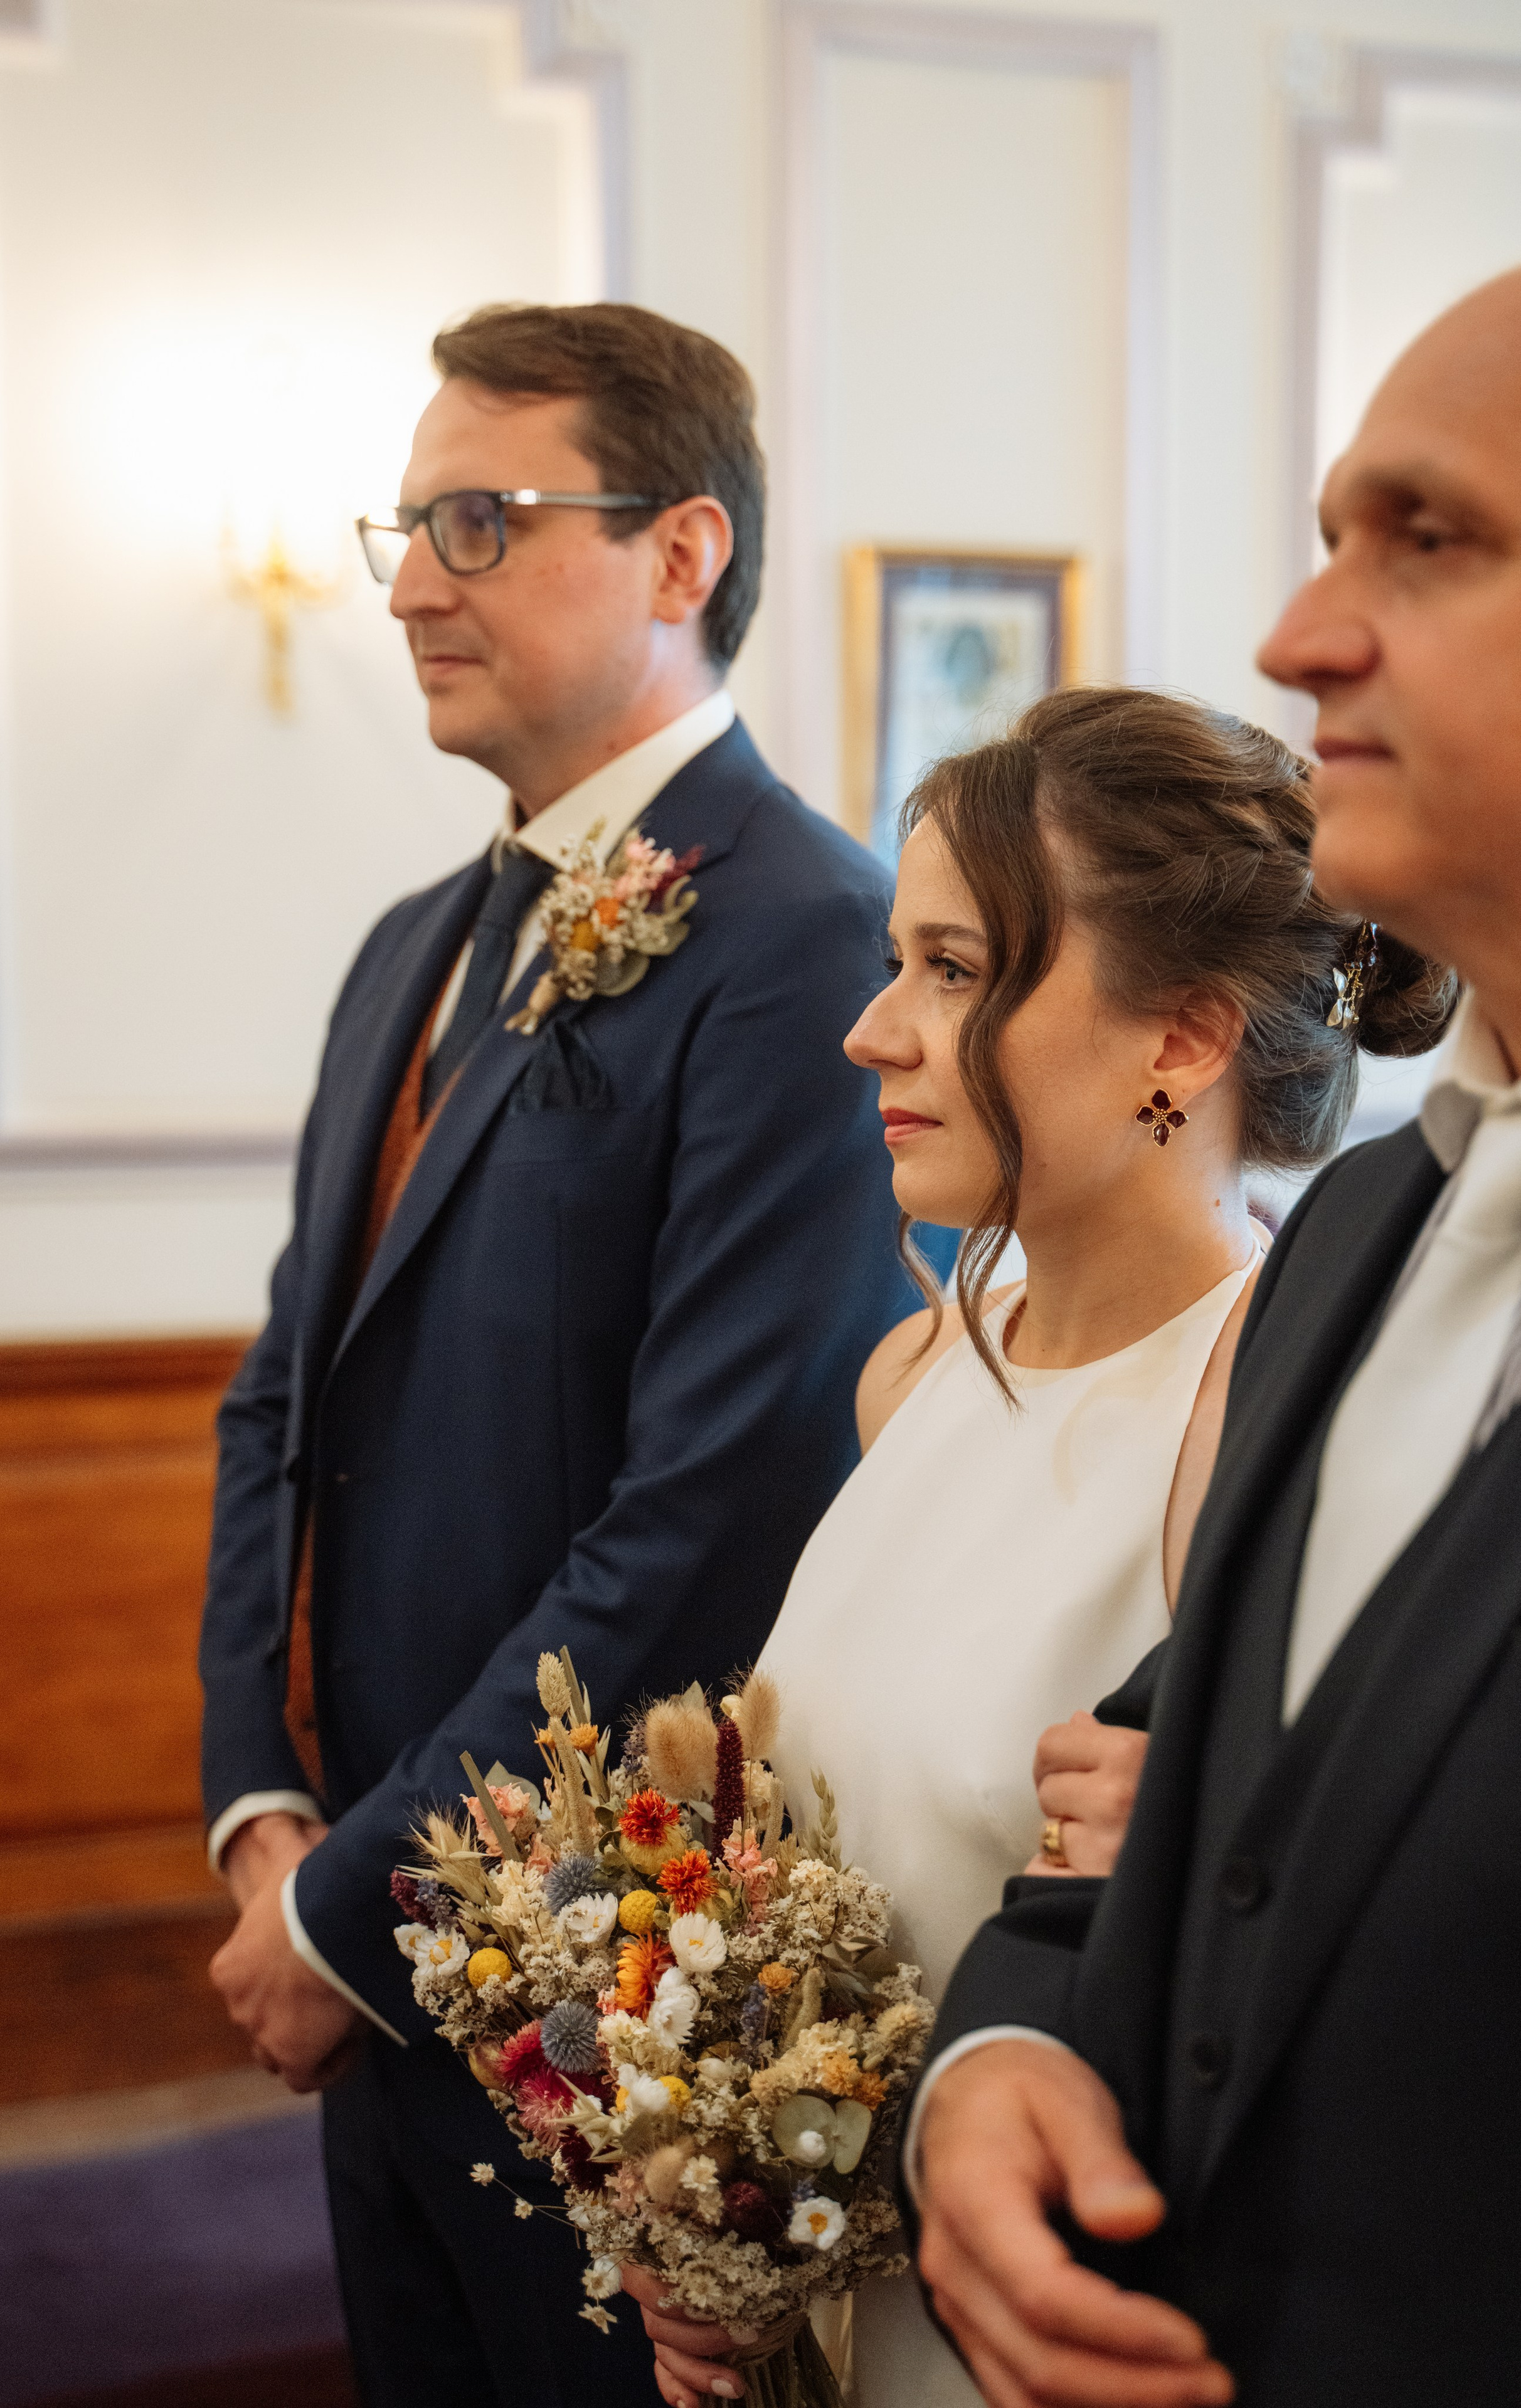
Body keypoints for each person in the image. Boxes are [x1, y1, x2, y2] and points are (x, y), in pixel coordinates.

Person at [196, 300, 912, 2408]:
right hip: (369, 1916)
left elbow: (714, 1515)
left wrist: (350, 1908)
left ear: (682, 553)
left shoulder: (807, 942)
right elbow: (284, 1399)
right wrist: (260, 1801)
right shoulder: (408, 952)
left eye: (483, 524)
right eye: (409, 528)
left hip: (612, 1986)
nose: (415, 586)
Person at [625, 682, 1451, 2408]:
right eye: (898, 962)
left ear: (1183, 1040)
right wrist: (700, 2206)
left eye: (955, 969)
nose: (874, 1032)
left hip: (1039, 2317)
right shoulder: (911, 1375)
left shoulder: (1257, 1429)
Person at [909, 265, 1521, 2408]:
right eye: (1335, 533)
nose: (1298, 634)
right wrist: (994, 2053)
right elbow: (1191, 1810)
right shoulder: (1364, 1231)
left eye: (1429, 540)